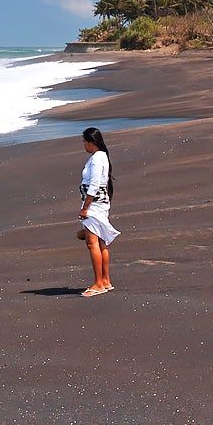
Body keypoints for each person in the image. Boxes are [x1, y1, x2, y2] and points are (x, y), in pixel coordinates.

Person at [77, 126, 120, 297]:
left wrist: (85, 208)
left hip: (94, 205)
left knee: (92, 243)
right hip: (101, 203)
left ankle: (98, 283)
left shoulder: (96, 159)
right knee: (101, 243)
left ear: (91, 142)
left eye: (84, 141)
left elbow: (94, 185)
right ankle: (106, 280)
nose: (83, 145)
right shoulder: (102, 156)